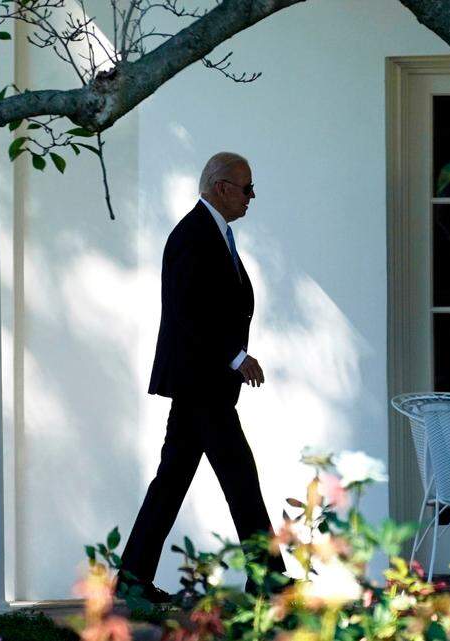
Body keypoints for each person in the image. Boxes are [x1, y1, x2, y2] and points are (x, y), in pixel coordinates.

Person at [117, 152, 285, 603]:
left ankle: (131, 582)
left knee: (172, 481)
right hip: (202, 382)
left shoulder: (213, 233)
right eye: (247, 187)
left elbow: (215, 307)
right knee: (240, 476)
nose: (252, 197)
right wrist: (235, 357)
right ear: (221, 187)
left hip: (201, 383)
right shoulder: (193, 235)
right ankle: (268, 577)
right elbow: (188, 313)